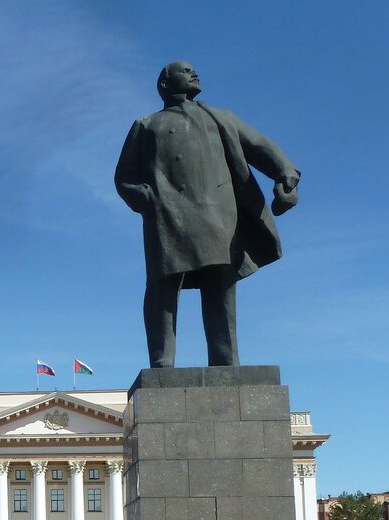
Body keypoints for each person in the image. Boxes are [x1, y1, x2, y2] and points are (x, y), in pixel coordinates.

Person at [115, 61, 300, 368]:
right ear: (164, 83)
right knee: (163, 287)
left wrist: (285, 176)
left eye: (193, 70)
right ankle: (163, 361)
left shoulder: (220, 118)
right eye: (185, 70)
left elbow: (259, 146)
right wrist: (149, 200)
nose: (193, 73)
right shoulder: (146, 125)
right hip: (167, 217)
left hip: (219, 218)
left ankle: (225, 360)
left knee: (220, 288)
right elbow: (124, 177)